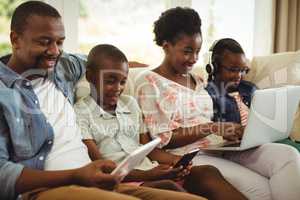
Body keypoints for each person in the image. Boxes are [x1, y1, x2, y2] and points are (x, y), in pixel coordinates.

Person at [0, 2, 209, 200]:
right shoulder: (4, 93)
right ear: (16, 39)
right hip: (46, 189)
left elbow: (92, 60)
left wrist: (134, 66)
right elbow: (3, 175)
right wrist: (76, 175)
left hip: (95, 181)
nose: (55, 51)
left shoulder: (60, 68)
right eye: (44, 42)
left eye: (60, 42)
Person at [135, 7, 300, 200]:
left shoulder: (197, 79)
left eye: (197, 51)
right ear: (166, 46)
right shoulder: (149, 82)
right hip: (192, 156)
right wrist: (213, 127)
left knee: (287, 155)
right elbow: (164, 140)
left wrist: (236, 130)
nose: (194, 59)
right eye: (187, 51)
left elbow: (215, 117)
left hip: (222, 147)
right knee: (262, 190)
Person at [74, 44, 247, 200]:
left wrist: (176, 163)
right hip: (124, 181)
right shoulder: (80, 112)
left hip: (151, 172)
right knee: (168, 187)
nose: (118, 88)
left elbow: (149, 150)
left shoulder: (130, 104)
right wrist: (149, 175)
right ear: (90, 76)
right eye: (110, 81)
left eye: (123, 81)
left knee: (207, 172)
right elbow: (102, 170)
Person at [205, 38, 300, 151]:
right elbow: (206, 130)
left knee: (293, 148)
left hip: (262, 141)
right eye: (233, 70)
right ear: (214, 68)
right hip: (238, 148)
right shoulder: (209, 95)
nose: (238, 75)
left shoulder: (249, 88)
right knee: (290, 152)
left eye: (242, 70)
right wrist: (224, 134)